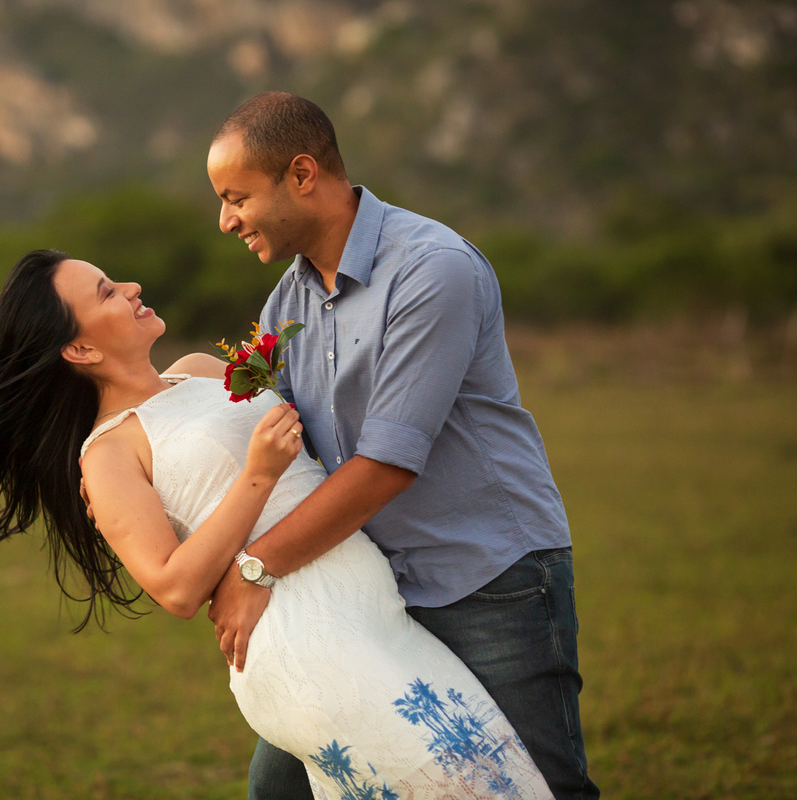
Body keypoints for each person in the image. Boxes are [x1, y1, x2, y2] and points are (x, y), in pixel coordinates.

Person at [0, 248, 555, 799]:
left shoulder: (203, 371)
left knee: (500, 778)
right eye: (105, 291)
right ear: (79, 350)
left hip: (377, 613)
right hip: (304, 642)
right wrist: (256, 476)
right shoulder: (107, 455)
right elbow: (177, 588)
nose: (129, 285)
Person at [204, 91, 599, 800]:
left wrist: (254, 570)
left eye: (236, 197)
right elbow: (277, 440)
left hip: (487, 577)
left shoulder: (431, 267)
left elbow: (386, 466)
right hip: (368, 592)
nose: (225, 220)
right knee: (284, 785)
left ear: (301, 175)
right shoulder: (283, 305)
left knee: (539, 787)